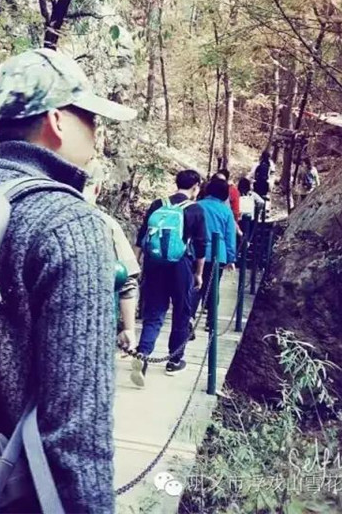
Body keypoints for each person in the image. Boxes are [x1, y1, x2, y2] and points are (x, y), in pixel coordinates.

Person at [0, 48, 137, 513]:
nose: (97, 132)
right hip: (8, 491)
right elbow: (78, 433)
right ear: (57, 121)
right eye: (91, 118)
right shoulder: (70, 223)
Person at [131, 170, 206, 385]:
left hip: (154, 264)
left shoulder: (158, 204)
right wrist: (198, 273)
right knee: (181, 312)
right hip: (180, 266)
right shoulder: (195, 209)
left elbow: (142, 236)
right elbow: (201, 246)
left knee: (154, 311)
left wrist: (137, 264)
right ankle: (174, 360)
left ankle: (143, 354)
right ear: (195, 187)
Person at [83, 160, 139, 353]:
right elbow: (127, 280)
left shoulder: (36, 213)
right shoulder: (106, 224)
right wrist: (129, 329)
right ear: (97, 188)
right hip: (94, 328)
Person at [192, 176, 237, 317]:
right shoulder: (226, 211)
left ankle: (189, 317)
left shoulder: (196, 206)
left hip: (195, 251)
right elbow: (230, 236)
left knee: (195, 285)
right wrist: (231, 258)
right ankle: (211, 320)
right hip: (218, 253)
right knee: (213, 287)